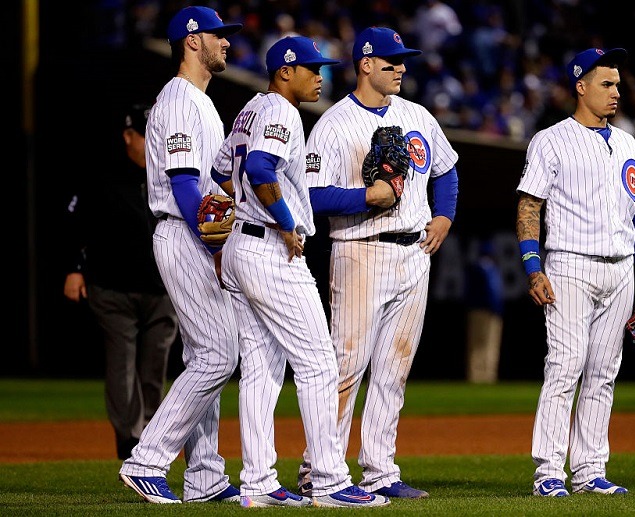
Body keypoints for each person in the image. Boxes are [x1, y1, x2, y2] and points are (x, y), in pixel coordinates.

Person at [210, 36, 390, 509]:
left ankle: (257, 484)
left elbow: (219, 170)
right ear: (285, 71)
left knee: (262, 370)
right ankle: (330, 482)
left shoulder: (249, 108)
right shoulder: (283, 113)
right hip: (271, 249)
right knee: (318, 364)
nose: (320, 77)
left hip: (239, 248)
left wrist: (242, 213)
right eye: (312, 69)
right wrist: (286, 224)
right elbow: (263, 170)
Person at [297, 26, 460, 500]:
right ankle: (317, 470)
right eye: (392, 62)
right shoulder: (333, 123)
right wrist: (364, 197)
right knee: (346, 366)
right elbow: (308, 194)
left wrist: (444, 215)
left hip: (415, 253)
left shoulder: (418, 115)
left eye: (403, 61)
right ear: (365, 64)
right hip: (360, 250)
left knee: (394, 370)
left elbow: (446, 168)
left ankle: (380, 470)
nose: (401, 68)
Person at [516, 47, 635, 497]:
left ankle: (589, 470)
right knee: (565, 366)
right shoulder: (551, 139)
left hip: (619, 270)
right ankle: (548, 473)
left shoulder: (627, 142)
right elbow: (529, 205)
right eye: (607, 83)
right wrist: (532, 265)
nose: (616, 92)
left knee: (603, 370)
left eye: (617, 84)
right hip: (570, 265)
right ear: (581, 86)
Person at [118, 6, 243, 504]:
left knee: (202, 354)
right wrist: (215, 242)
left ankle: (205, 475)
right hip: (184, 232)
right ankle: (147, 460)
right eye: (219, 36)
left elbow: (213, 183)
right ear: (193, 41)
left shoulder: (202, 102)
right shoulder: (177, 100)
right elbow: (186, 185)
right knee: (218, 353)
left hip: (197, 234)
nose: (227, 44)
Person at [63, 103, 179, 461]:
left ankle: (149, 437)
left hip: (162, 289)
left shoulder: (174, 174)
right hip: (112, 287)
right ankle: (129, 441)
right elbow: (74, 223)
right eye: (145, 136)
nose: (150, 143)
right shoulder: (103, 175)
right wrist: (74, 268)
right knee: (122, 365)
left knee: (154, 368)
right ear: (128, 136)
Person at [464, 238, 504, 384]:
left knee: (480, 345)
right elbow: (492, 291)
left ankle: (481, 376)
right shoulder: (485, 268)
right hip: (485, 311)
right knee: (484, 345)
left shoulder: (479, 267)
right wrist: (496, 309)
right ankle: (482, 376)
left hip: (479, 311)